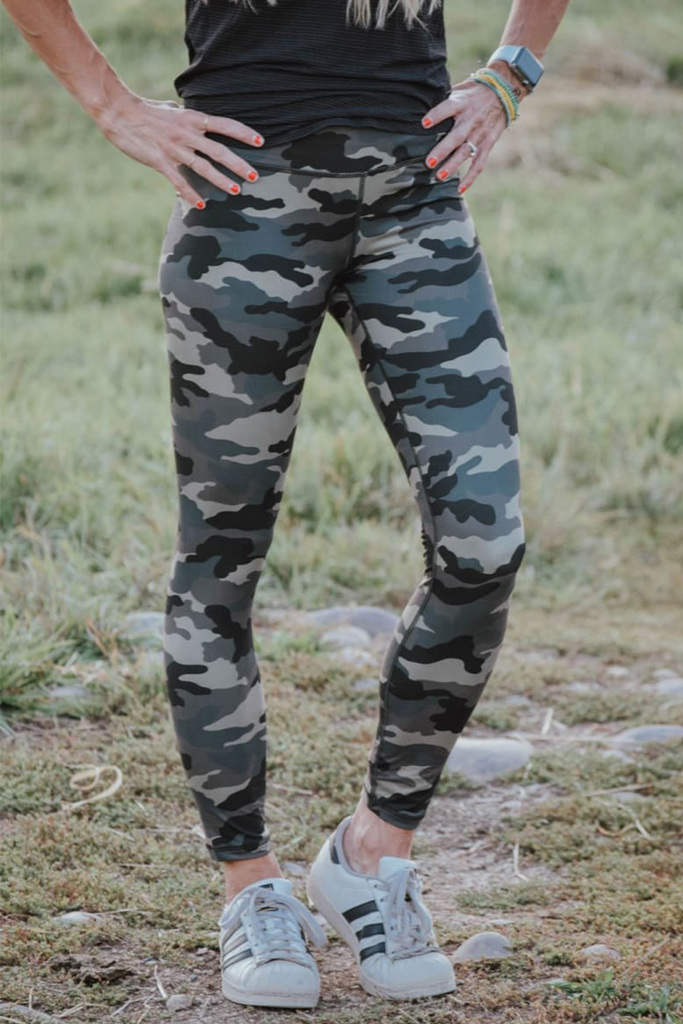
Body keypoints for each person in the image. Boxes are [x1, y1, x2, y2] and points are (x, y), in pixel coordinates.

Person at [4, 0, 572, 1009]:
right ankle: (250, 886)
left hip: (416, 195)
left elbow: (514, 55)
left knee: (484, 543)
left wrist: (509, 73)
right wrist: (110, 104)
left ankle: (371, 854)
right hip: (241, 194)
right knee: (219, 559)